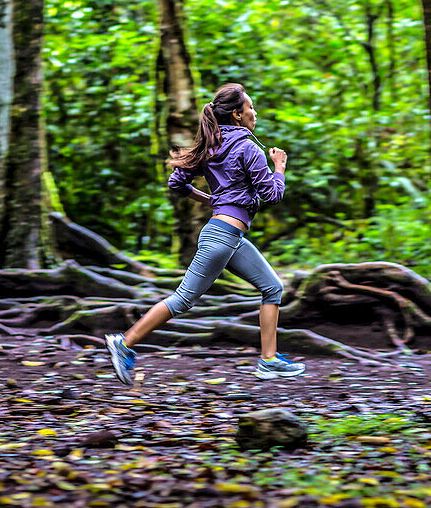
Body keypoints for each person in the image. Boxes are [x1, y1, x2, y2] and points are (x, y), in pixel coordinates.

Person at [104, 83, 306, 385]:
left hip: (230, 238)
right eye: (250, 107)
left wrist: (212, 200)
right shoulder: (248, 148)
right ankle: (124, 342)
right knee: (183, 298)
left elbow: (178, 184)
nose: (254, 112)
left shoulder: (212, 145)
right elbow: (272, 195)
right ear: (237, 114)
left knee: (273, 288)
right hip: (221, 237)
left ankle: (268, 361)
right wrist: (279, 167)